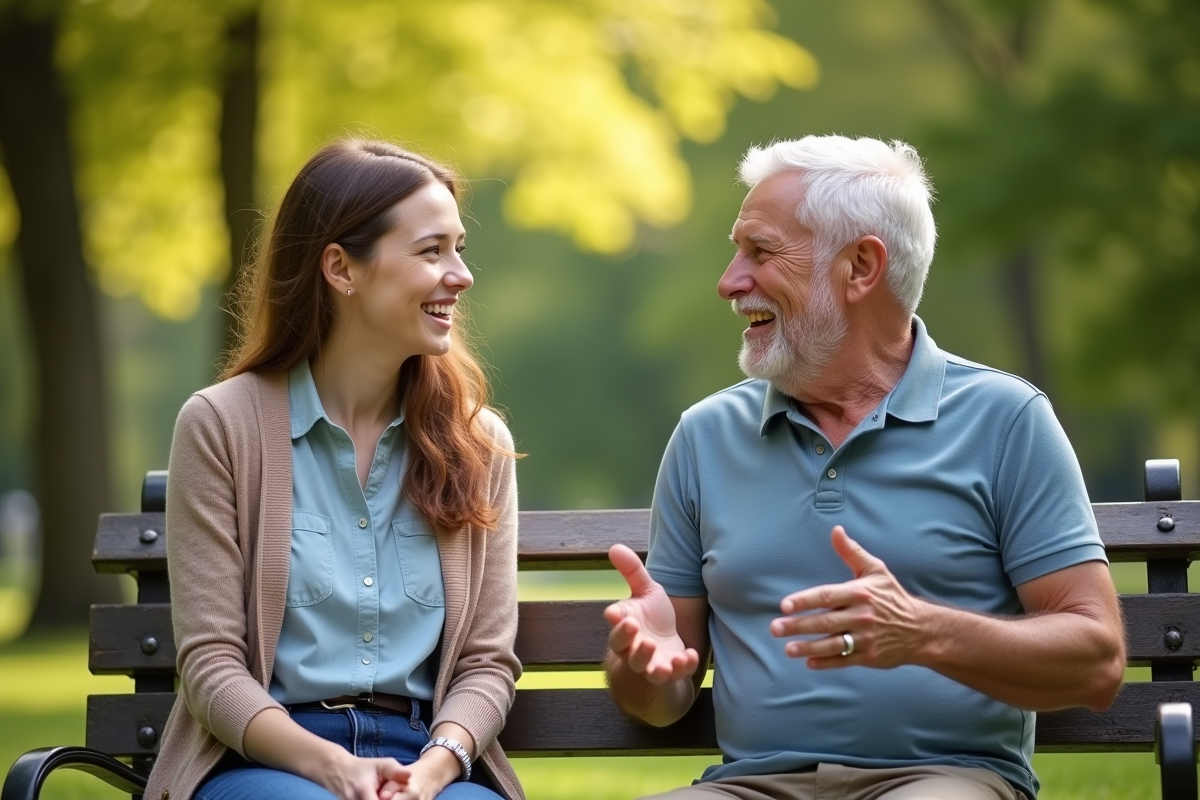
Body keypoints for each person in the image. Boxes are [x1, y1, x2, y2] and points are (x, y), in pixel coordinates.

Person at [603, 135, 1125, 800]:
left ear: (860, 267)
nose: (729, 280)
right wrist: (638, 665)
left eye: (760, 251)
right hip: (752, 787)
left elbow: (1097, 660)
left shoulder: (1006, 420)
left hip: (944, 779)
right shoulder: (706, 436)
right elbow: (662, 696)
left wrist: (923, 631)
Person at [145, 139, 524, 800]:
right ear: (341, 269)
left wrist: (433, 770)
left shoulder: (477, 442)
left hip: (427, 763)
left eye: (459, 248)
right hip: (267, 762)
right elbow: (211, 667)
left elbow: (486, 664)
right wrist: (332, 768)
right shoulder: (220, 426)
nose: (460, 274)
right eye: (431, 251)